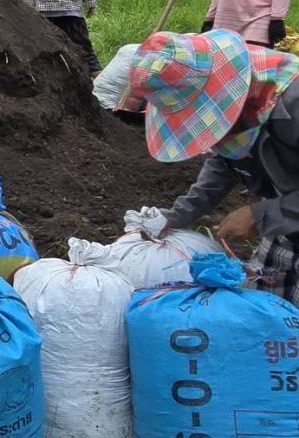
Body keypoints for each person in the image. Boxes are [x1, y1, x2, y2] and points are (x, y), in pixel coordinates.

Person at [128, 28, 299, 301]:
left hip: (285, 211)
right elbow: (227, 157)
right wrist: (179, 214)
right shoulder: (246, 105)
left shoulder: (292, 103)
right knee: (265, 308)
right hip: (288, 221)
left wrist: (260, 215)